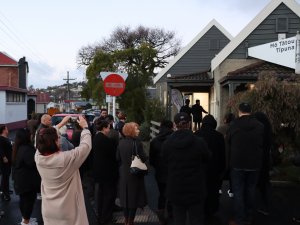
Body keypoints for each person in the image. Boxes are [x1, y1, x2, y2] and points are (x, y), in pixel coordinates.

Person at [35, 115, 92, 225]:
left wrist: (61, 124)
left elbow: (41, 140)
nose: (60, 139)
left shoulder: (38, 158)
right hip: (68, 210)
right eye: (58, 138)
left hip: (48, 209)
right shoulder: (67, 158)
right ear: (55, 142)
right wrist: (85, 128)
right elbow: (86, 146)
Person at [162, 112, 211, 225]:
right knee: (196, 219)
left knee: (179, 219)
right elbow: (207, 157)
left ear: (175, 125)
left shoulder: (167, 143)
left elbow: (164, 161)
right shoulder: (199, 142)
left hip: (175, 187)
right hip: (196, 187)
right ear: (189, 124)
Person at [227, 103, 264, 225]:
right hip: (254, 163)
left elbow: (229, 142)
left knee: (238, 191)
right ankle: (249, 216)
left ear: (239, 111)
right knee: (251, 190)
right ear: (251, 111)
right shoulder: (260, 126)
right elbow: (262, 144)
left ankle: (239, 218)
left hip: (237, 162)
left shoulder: (233, 125)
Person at [194, 114, 226, 220]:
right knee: (213, 190)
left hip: (199, 169)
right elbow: (223, 155)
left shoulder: (196, 135)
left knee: (200, 190)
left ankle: (201, 209)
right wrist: (223, 170)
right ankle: (211, 210)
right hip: (215, 169)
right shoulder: (219, 136)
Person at [117, 122, 148, 225]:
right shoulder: (137, 143)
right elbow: (143, 158)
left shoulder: (120, 142)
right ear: (131, 131)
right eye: (136, 129)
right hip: (135, 172)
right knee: (134, 198)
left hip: (124, 172)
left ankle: (126, 220)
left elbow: (117, 158)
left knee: (125, 197)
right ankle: (130, 221)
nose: (138, 131)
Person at [93, 119, 119, 224]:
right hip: (108, 173)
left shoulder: (96, 138)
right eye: (108, 127)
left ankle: (102, 216)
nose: (109, 129)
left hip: (99, 172)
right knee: (108, 196)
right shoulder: (106, 141)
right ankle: (106, 218)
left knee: (102, 196)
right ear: (104, 128)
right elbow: (114, 156)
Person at [13, 128, 40, 225]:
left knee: (23, 200)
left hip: (20, 180)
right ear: (26, 137)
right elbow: (32, 163)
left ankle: (25, 219)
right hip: (27, 181)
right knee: (28, 201)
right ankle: (26, 222)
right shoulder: (27, 149)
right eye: (30, 134)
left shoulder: (18, 147)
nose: (32, 136)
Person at [149, 119, 174, 225]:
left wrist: (158, 167)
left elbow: (151, 160)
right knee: (173, 194)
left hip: (160, 172)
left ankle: (161, 215)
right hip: (173, 172)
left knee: (162, 194)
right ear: (171, 127)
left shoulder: (155, 141)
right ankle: (172, 214)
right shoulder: (174, 139)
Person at [254, 112, 273, 216]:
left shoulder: (258, 130)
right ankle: (266, 205)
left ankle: (258, 206)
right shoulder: (268, 130)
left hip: (257, 159)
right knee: (264, 182)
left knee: (255, 182)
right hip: (265, 159)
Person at [217, 112, 236, 197]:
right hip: (233, 153)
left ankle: (219, 188)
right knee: (232, 174)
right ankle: (232, 191)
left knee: (221, 171)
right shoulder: (235, 128)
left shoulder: (220, 128)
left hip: (222, 152)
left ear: (225, 119)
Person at [0, 124, 12, 201]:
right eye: (7, 128)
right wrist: (4, 157)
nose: (8, 130)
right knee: (5, 176)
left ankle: (4, 190)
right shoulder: (1, 138)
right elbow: (0, 149)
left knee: (6, 176)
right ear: (4, 130)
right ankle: (5, 193)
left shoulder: (5, 138)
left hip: (8, 160)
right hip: (4, 161)